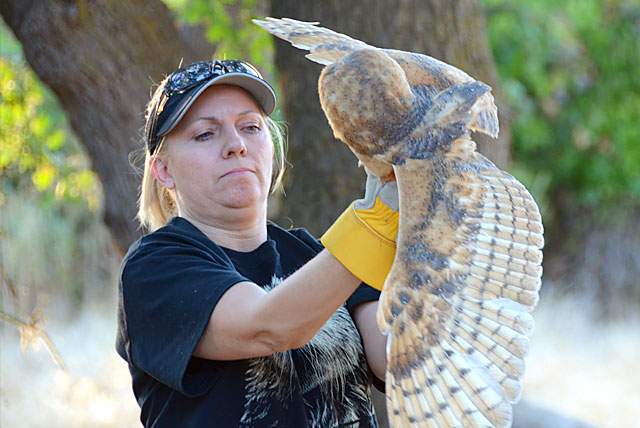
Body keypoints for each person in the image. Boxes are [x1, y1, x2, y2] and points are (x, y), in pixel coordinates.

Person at [116, 59, 399, 428]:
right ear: (164, 171)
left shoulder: (315, 256)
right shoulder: (154, 269)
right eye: (205, 134)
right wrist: (376, 220)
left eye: (250, 127)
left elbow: (396, 361)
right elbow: (270, 327)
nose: (236, 145)